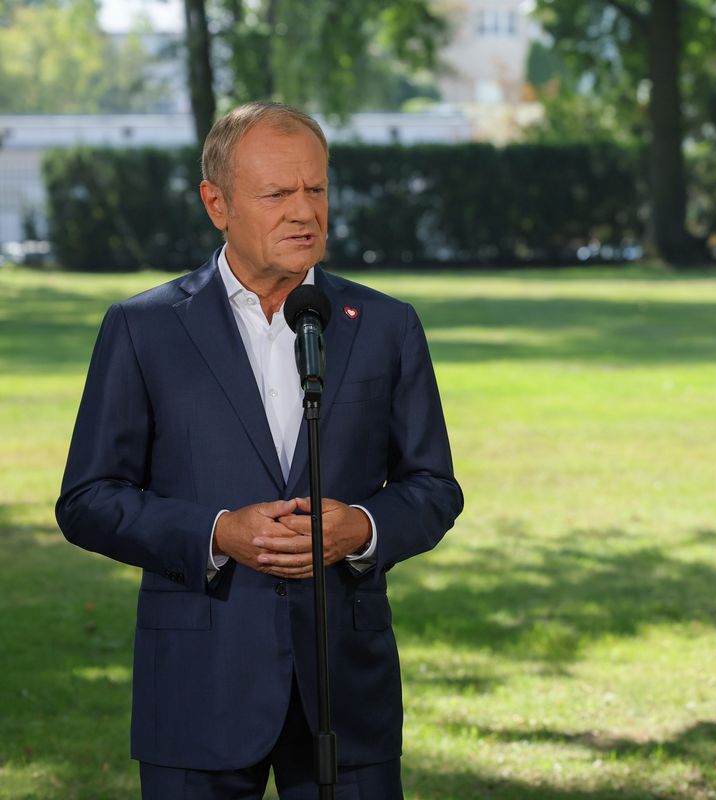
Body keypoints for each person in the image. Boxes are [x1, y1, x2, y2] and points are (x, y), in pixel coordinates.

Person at [57, 101, 463, 799]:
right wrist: (217, 533)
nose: (304, 212)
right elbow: (89, 499)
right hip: (198, 686)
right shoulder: (142, 329)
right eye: (277, 194)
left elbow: (433, 486)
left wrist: (361, 528)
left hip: (344, 692)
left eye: (316, 189)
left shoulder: (387, 326)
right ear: (217, 204)